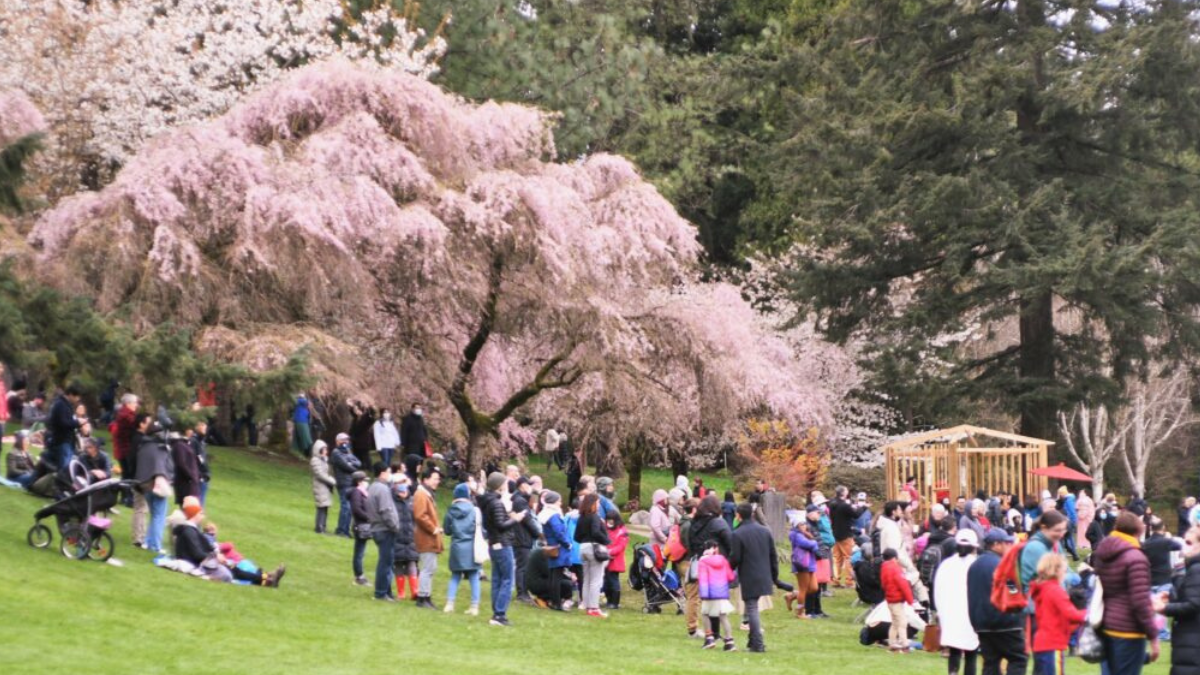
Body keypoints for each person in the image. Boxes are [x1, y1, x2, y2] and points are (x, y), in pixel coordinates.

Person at [1094, 511, 1161, 674]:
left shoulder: (1102, 552)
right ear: (1138, 531)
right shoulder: (1136, 558)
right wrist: (1153, 636)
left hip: (1106, 625)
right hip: (1129, 630)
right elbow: (1140, 602)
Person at [968, 527, 1027, 675]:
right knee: (1018, 658)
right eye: (1005, 543)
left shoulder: (974, 565)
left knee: (991, 662)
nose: (1009, 546)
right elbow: (1012, 590)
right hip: (1005, 620)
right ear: (995, 544)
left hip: (981, 623)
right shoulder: (1002, 565)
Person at [730, 502, 781, 653]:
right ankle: (752, 642)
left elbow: (735, 558)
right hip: (764, 574)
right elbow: (773, 555)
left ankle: (757, 644)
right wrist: (774, 576)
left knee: (751, 608)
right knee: (753, 608)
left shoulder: (737, 534)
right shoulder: (765, 531)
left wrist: (727, 569)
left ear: (738, 516)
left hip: (749, 575)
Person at [480, 472, 529, 626]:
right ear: (499, 485)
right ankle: (500, 614)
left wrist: (508, 516)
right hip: (502, 544)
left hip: (493, 544)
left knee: (497, 579)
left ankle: (496, 612)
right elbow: (501, 526)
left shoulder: (487, 502)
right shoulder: (496, 503)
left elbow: (496, 522)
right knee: (507, 579)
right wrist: (515, 519)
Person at [1153, 525, 1200, 675]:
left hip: (1193, 641)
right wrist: (1172, 598)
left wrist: (1164, 608)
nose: (1183, 548)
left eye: (1189, 543)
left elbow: (1194, 605)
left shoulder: (1197, 569)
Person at [1030, 553, 1087, 675]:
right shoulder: (1055, 590)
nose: (1065, 573)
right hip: (1052, 644)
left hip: (1041, 643)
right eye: (1064, 570)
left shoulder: (1042, 588)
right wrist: (1090, 613)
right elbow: (1071, 614)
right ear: (1056, 570)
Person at [686, 495, 733, 636]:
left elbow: (690, 543)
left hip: (701, 565)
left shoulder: (693, 523)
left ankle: (706, 631)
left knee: (704, 599)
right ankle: (717, 632)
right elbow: (731, 543)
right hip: (717, 566)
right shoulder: (719, 523)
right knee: (717, 598)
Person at [935, 529, 980, 675]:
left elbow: (938, 591)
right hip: (971, 616)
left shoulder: (946, 565)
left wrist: (941, 613)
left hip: (951, 615)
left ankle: (952, 673)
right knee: (971, 653)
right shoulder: (976, 565)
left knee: (954, 650)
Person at [134, 418, 174, 554]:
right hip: (156, 483)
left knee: (154, 514)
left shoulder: (144, 446)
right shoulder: (160, 448)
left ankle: (148, 542)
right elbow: (162, 467)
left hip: (144, 484)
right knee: (159, 515)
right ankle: (155, 545)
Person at [442, 483, 482, 615]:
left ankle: (449, 604)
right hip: (472, 547)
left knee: (455, 576)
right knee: (474, 576)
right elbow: (481, 529)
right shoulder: (475, 510)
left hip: (457, 546)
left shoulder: (451, 511)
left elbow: (447, 531)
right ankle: (474, 606)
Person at [573, 492, 610, 619]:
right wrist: (606, 540)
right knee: (596, 580)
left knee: (587, 579)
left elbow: (576, 537)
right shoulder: (594, 517)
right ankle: (594, 607)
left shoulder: (581, 517)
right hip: (594, 548)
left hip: (582, 548)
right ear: (593, 503)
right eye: (598, 502)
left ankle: (586, 605)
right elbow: (595, 532)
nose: (599, 505)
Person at [366, 463, 399, 601]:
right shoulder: (382, 489)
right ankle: (381, 592)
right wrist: (394, 526)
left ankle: (387, 591)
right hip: (384, 529)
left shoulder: (372, 487)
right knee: (385, 562)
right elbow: (385, 510)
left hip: (377, 528)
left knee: (387, 561)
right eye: (388, 472)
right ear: (382, 473)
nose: (390, 474)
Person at [697, 540, 738, 651]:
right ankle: (729, 641)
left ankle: (709, 638)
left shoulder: (703, 561)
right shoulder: (723, 560)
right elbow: (730, 576)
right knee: (723, 616)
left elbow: (703, 580)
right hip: (722, 593)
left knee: (705, 614)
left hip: (710, 593)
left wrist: (703, 595)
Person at [412, 467, 443, 608]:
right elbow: (420, 515)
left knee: (431, 567)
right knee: (427, 568)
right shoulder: (421, 494)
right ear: (426, 479)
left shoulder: (427, 494)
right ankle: (422, 597)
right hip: (426, 536)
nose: (438, 481)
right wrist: (433, 528)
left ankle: (426, 597)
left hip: (429, 536)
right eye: (435, 478)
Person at [829, 485, 864, 588]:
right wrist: (863, 507)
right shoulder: (844, 505)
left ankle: (835, 580)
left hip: (834, 533)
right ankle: (849, 581)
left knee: (837, 558)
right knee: (849, 557)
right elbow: (856, 514)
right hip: (845, 534)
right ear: (843, 493)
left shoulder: (832, 503)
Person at [45, 384, 86, 474]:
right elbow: (63, 423)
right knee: (64, 467)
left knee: (68, 467)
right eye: (76, 396)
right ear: (70, 394)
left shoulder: (67, 405)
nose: (77, 399)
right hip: (62, 441)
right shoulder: (60, 405)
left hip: (68, 441)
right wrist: (77, 422)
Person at [390, 474, 418, 600]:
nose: (403, 493)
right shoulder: (392, 501)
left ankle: (415, 591)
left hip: (411, 538)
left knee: (412, 564)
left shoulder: (412, 501)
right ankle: (401, 592)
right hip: (397, 538)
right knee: (399, 566)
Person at [512, 476, 539, 604]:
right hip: (521, 537)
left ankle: (524, 592)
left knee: (523, 565)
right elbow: (527, 520)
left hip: (522, 537)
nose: (531, 487)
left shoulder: (521, 499)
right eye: (528, 485)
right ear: (522, 485)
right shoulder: (520, 501)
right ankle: (522, 593)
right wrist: (537, 533)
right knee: (522, 566)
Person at [785, 517, 819, 618]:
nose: (805, 525)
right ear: (797, 525)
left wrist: (814, 543)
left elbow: (812, 544)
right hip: (802, 564)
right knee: (803, 589)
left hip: (810, 563)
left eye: (805, 523)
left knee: (813, 588)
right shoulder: (796, 535)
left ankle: (792, 595)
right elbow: (808, 544)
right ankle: (800, 613)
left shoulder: (804, 534)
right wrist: (815, 543)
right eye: (802, 524)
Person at [881, 548, 914, 652]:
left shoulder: (884, 567)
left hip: (889, 599)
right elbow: (903, 585)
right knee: (902, 622)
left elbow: (883, 584)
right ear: (895, 558)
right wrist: (910, 600)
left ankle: (892, 643)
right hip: (897, 600)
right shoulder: (895, 568)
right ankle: (904, 644)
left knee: (895, 622)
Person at [330, 433, 361, 537]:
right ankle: (341, 530)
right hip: (343, 483)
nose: (346, 442)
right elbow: (347, 467)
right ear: (338, 441)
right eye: (344, 440)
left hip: (351, 482)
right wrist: (351, 464)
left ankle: (346, 530)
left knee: (350, 508)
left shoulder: (348, 451)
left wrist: (350, 463)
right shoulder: (336, 452)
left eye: (347, 440)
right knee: (346, 507)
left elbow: (358, 463)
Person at [349, 471, 371, 585]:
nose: (367, 482)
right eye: (364, 480)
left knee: (360, 551)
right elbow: (357, 509)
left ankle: (360, 576)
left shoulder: (362, 492)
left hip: (364, 524)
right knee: (359, 552)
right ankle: (359, 576)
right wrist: (369, 517)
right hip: (361, 525)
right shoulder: (356, 492)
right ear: (359, 481)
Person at [310, 440, 336, 534]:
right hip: (319, 486)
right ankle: (319, 527)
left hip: (325, 486)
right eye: (324, 449)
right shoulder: (315, 460)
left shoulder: (324, 459)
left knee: (325, 506)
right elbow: (320, 474)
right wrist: (332, 481)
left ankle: (323, 526)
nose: (326, 451)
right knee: (321, 506)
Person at [604, 510, 628, 610]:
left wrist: (609, 551)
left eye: (611, 521)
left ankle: (615, 602)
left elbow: (621, 546)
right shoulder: (605, 528)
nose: (609, 523)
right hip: (605, 559)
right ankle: (609, 600)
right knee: (606, 581)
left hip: (615, 560)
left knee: (613, 581)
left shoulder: (622, 531)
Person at [171, 430, 201, 507]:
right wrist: (191, 476)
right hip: (186, 485)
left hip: (190, 484)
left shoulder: (185, 444)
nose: (192, 432)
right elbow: (181, 463)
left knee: (192, 512)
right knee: (189, 511)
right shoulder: (179, 445)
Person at [1056, 486, 1080, 562]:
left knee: (1067, 538)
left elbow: (1072, 512)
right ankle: (1074, 553)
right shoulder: (1069, 499)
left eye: (1060, 494)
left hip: (1069, 521)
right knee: (1069, 537)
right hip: (1070, 521)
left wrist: (1073, 521)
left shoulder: (1068, 500)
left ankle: (1073, 553)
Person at [190, 420, 211, 506]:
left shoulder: (201, 442)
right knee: (195, 505)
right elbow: (192, 460)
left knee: (200, 504)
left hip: (204, 477)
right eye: (202, 424)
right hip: (198, 477)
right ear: (196, 427)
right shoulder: (193, 441)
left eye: (205, 425)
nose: (204, 426)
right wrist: (199, 475)